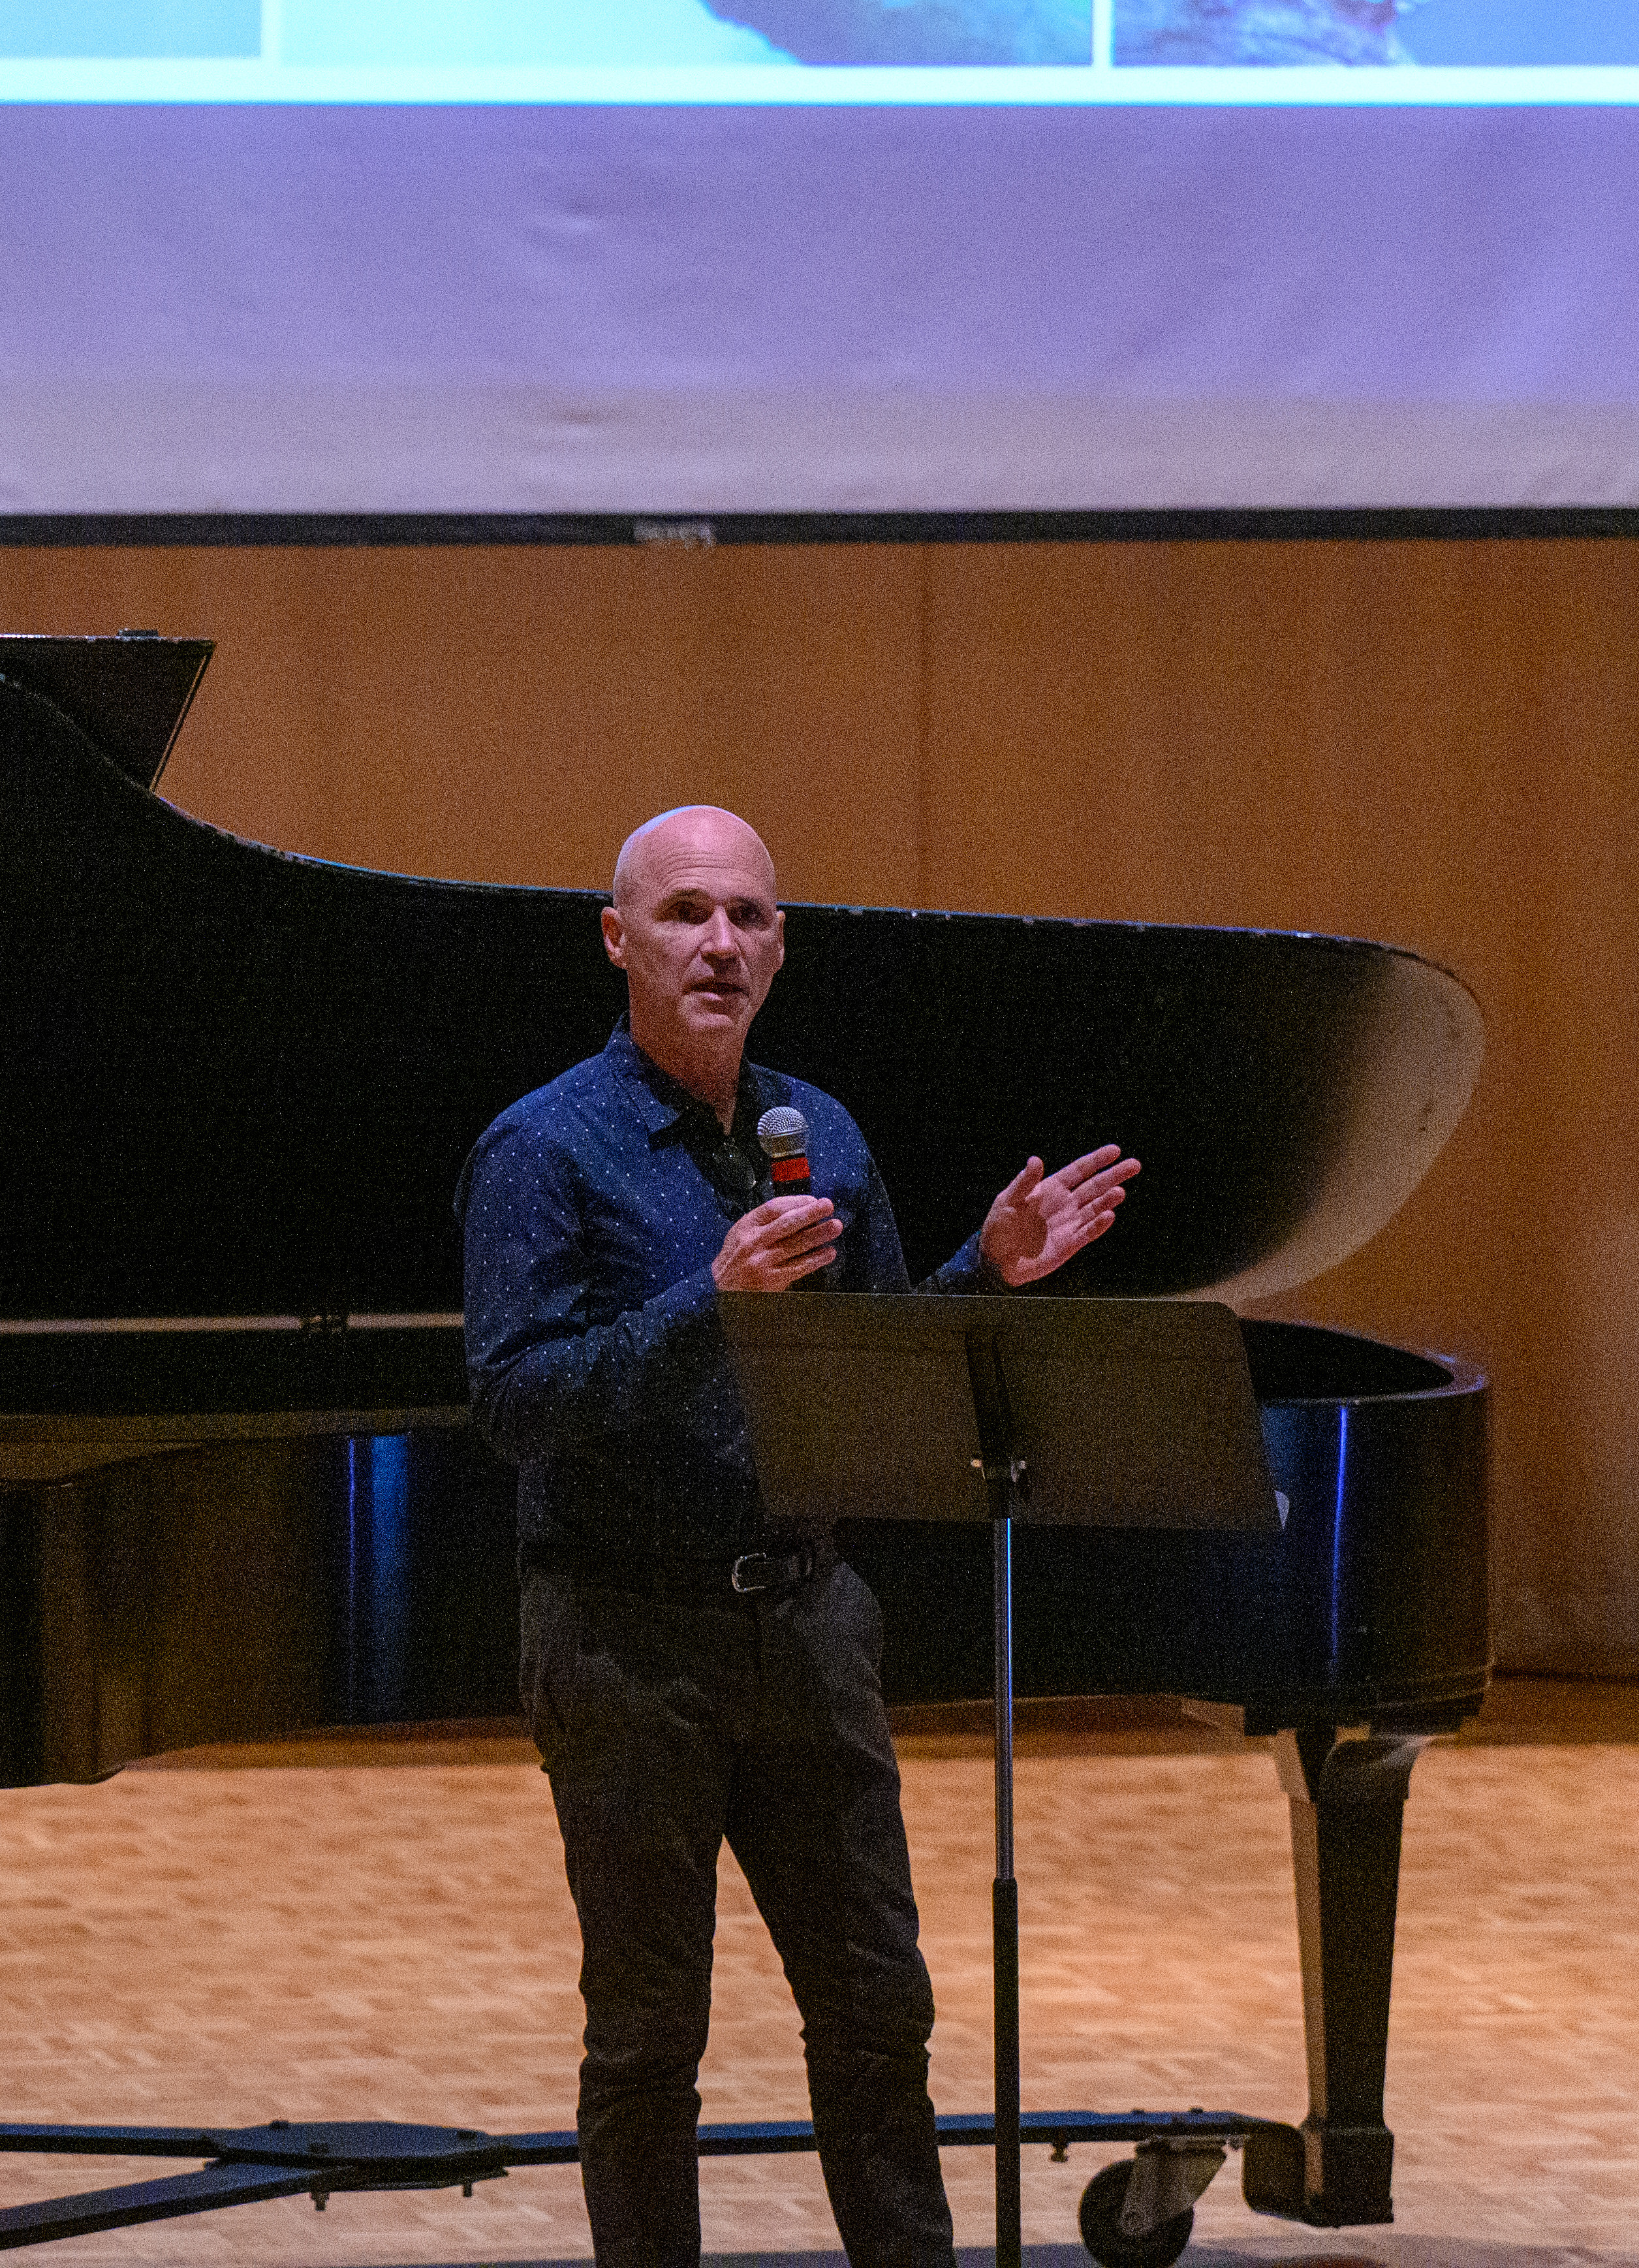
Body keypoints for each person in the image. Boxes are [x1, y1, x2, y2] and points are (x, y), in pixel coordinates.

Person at [459, 805, 1139, 2268]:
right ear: (618, 940)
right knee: (649, 2042)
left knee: (881, 2015)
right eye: (688, 913)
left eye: (750, 918)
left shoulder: (816, 1131)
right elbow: (514, 1404)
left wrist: (988, 1271)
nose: (721, 944)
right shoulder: (543, 1150)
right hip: (627, 1639)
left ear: (782, 944)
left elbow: (876, 1362)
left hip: (812, 1626)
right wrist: (710, 1302)